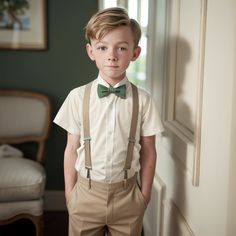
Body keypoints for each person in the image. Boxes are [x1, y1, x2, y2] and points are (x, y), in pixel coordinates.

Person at [54, 7, 164, 236]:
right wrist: (69, 194)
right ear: (91, 51)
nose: (112, 55)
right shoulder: (77, 97)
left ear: (135, 53)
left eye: (121, 48)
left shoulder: (143, 100)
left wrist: (144, 197)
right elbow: (71, 149)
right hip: (85, 194)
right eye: (103, 47)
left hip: (128, 196)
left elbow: (149, 151)